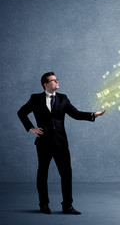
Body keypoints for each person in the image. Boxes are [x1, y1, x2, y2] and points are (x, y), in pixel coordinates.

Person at [17, 72, 106, 215]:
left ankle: (67, 206)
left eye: (57, 80)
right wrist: (31, 128)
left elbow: (76, 114)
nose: (57, 82)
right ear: (46, 84)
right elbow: (21, 112)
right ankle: (44, 205)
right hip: (43, 143)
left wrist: (93, 114)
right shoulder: (35, 98)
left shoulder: (63, 99)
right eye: (53, 80)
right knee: (42, 174)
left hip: (61, 143)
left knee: (66, 174)